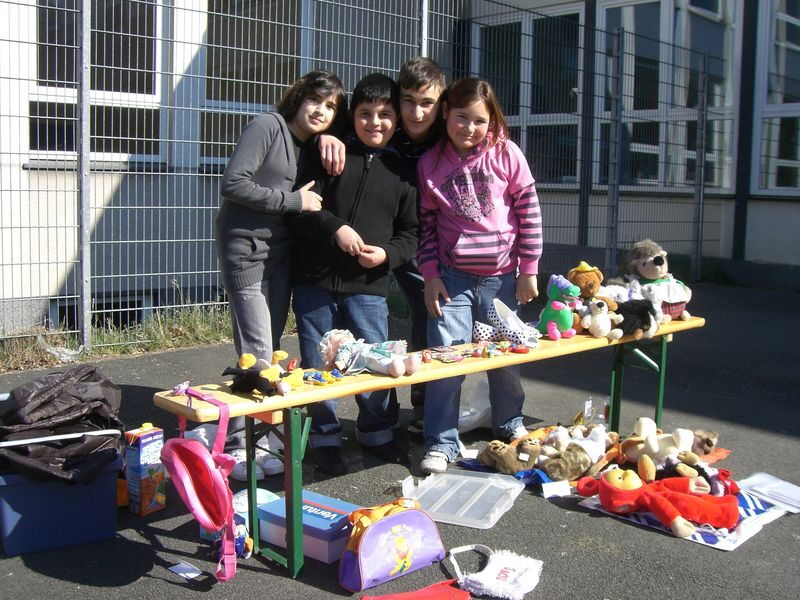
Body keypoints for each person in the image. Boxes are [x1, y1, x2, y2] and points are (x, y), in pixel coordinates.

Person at [213, 70, 347, 480]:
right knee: (257, 345)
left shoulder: (305, 143)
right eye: (316, 101)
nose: (321, 110)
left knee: (263, 347)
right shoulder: (268, 126)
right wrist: (295, 200)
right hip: (246, 250)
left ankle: (246, 432)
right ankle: (240, 445)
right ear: (299, 97)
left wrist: (329, 136)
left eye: (330, 107)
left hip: (281, 253)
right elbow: (233, 182)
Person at [291, 73, 419, 476]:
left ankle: (377, 432)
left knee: (377, 359)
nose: (375, 122)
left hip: (368, 286)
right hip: (316, 281)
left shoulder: (404, 172)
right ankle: (324, 437)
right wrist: (337, 229)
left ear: (397, 121)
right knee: (318, 364)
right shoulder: (330, 153)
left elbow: (411, 233)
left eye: (385, 115)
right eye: (365, 113)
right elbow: (305, 209)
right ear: (353, 116)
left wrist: (387, 255)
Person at [416, 77, 543, 474]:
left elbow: (529, 214)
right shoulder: (430, 164)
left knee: (506, 358)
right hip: (452, 279)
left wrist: (529, 270)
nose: (468, 128)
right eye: (460, 118)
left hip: (504, 278)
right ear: (446, 115)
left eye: (478, 120)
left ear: (492, 122)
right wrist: (431, 275)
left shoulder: (507, 154)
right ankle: (441, 440)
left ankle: (509, 423)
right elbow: (426, 226)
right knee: (446, 358)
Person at [318, 57, 446, 432]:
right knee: (374, 323)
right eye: (408, 101)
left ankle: (424, 404)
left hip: (433, 241)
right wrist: (327, 136)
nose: (417, 112)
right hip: (393, 236)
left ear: (441, 105)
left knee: (432, 313)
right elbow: (343, 125)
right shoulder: (385, 126)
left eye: (427, 103)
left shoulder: (447, 133)